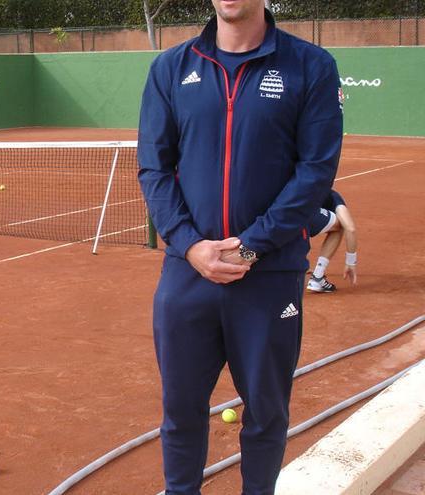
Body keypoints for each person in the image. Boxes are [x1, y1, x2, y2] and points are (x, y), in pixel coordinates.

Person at [137, 0, 344, 493]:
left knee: (266, 414)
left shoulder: (311, 66)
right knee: (181, 412)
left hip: (269, 280)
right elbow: (154, 166)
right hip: (187, 276)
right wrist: (190, 247)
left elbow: (315, 172)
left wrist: (250, 248)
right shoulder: (171, 67)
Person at [306, 189, 358, 293]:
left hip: (281, 211)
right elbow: (351, 229)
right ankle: (317, 277)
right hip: (303, 214)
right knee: (339, 226)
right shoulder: (335, 199)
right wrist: (351, 262)